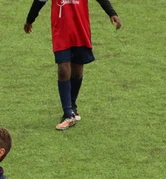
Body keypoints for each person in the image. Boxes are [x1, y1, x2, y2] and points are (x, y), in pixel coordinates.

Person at [24, 0, 122, 130]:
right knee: (63, 70)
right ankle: (67, 114)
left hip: (80, 29)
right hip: (61, 31)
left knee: (77, 69)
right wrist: (30, 19)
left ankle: (72, 106)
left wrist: (112, 13)